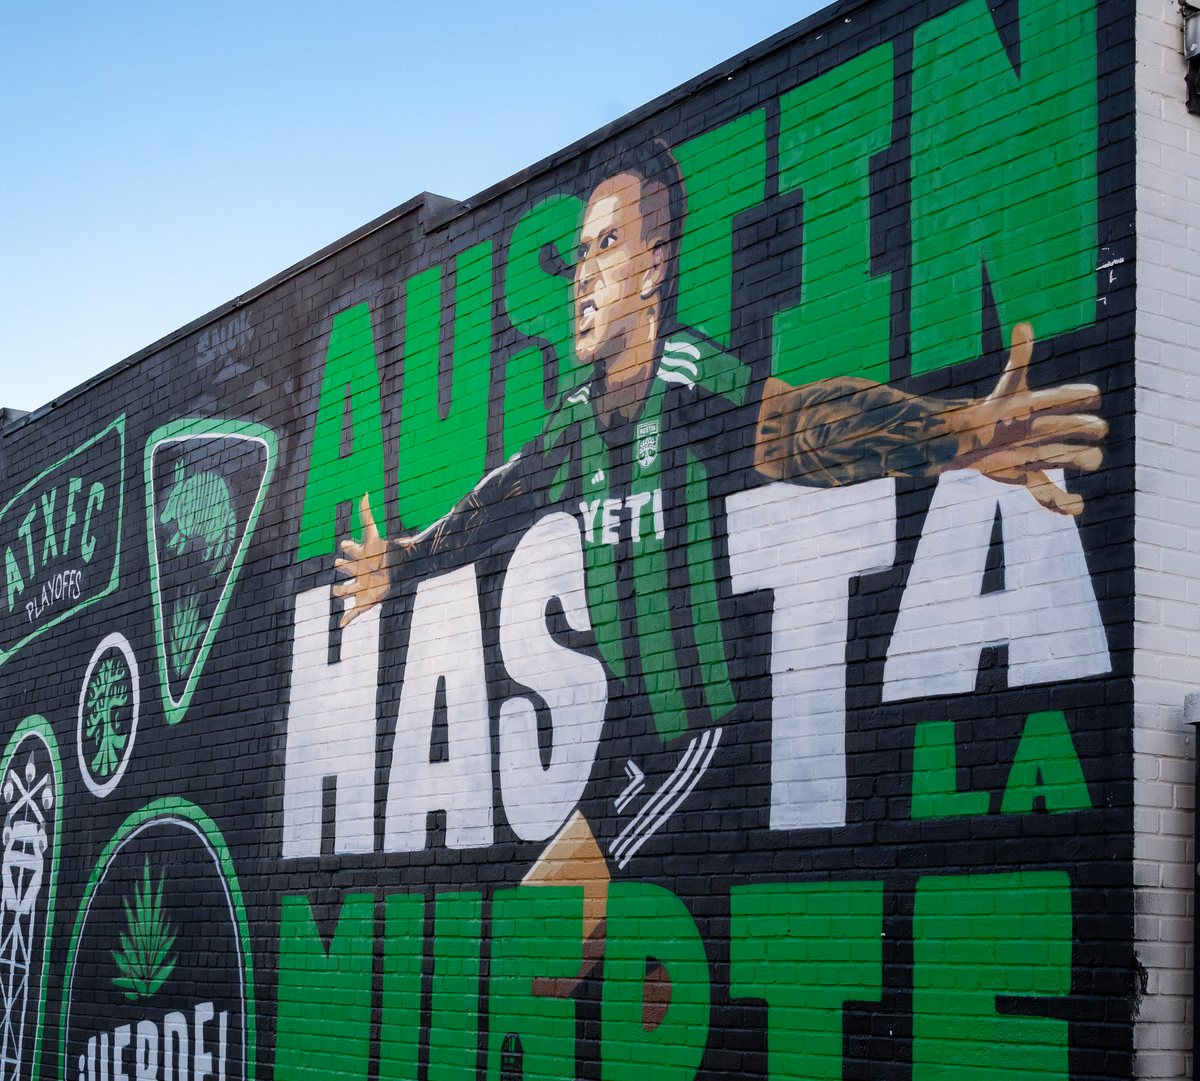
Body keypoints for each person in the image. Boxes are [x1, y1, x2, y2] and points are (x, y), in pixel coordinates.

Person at [333, 140, 1105, 871]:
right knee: (571, 959)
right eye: (578, 255)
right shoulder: (575, 417)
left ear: (652, 269)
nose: (581, 277)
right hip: (627, 744)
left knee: (555, 931)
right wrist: (402, 561)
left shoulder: (688, 380)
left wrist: (958, 433)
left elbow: (803, 424)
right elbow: (495, 498)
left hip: (696, 738)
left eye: (606, 247)